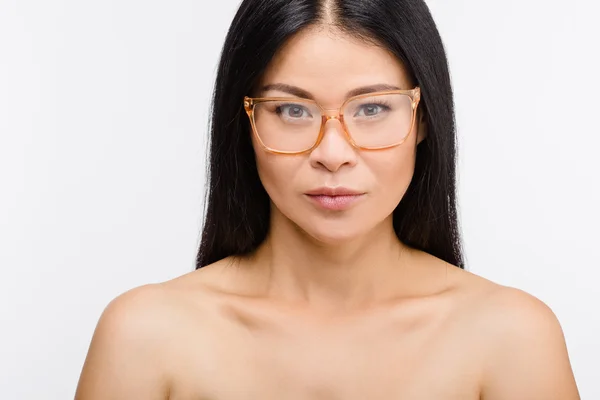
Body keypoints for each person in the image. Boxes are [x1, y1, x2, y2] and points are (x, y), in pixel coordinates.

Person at [75, 0, 580, 398]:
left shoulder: (511, 337)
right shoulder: (145, 337)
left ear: (422, 119)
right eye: (293, 110)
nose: (332, 153)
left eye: (374, 107)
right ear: (245, 121)